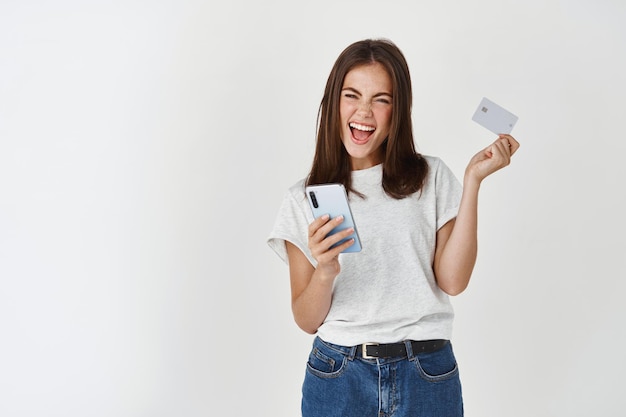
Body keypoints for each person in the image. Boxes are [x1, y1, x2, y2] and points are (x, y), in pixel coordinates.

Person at [267, 38, 519, 417]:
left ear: (398, 111)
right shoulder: (302, 199)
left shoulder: (431, 177)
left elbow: (453, 281)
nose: (364, 111)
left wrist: (472, 181)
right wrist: (326, 271)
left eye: (381, 99)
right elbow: (306, 320)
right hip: (338, 375)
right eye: (352, 95)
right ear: (334, 102)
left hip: (427, 371)